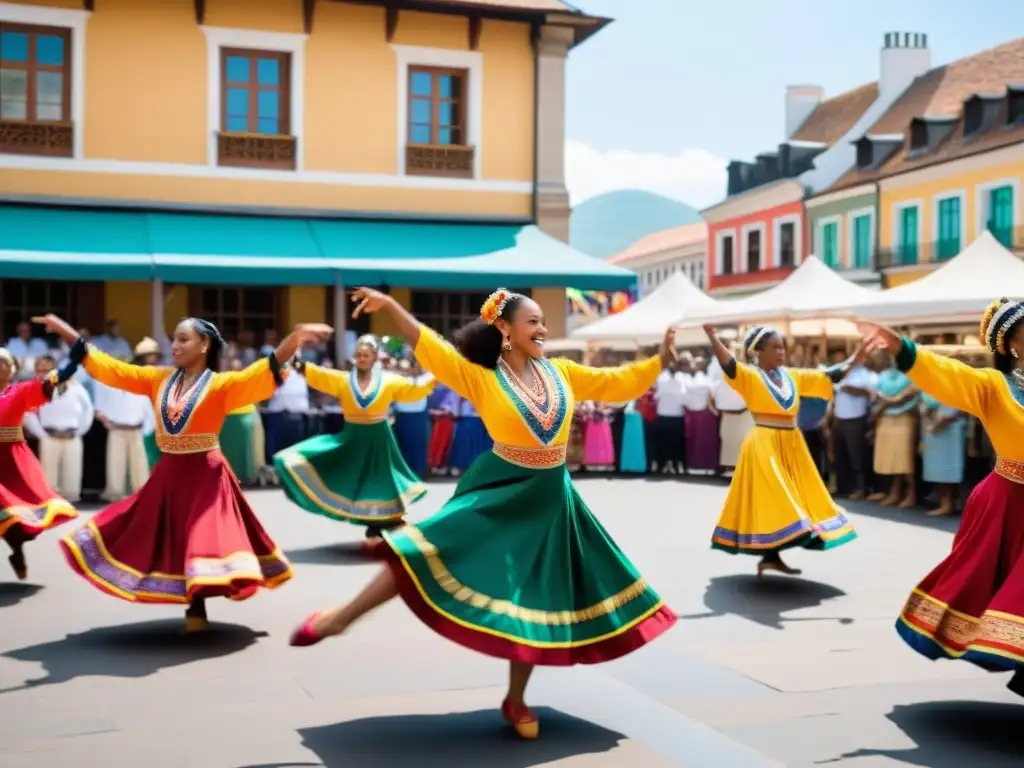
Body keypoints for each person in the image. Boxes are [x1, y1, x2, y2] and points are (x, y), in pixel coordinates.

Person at [289, 287, 678, 740]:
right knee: (419, 547)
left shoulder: (562, 373)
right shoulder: (481, 376)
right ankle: (342, 616)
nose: (543, 329)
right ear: (505, 330)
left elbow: (616, 382)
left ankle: (516, 698)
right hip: (500, 490)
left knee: (532, 598)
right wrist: (393, 308)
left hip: (551, 498)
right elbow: (431, 348)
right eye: (533, 321)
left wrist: (659, 362)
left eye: (542, 322)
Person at [35, 313, 330, 632]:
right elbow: (112, 369)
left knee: (201, 538)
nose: (174, 346)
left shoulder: (221, 384)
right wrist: (67, 331)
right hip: (170, 473)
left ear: (204, 345)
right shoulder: (158, 379)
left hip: (207, 473)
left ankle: (197, 606)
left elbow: (262, 370)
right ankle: (194, 603)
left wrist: (295, 338)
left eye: (183, 339)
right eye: (174, 339)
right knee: (164, 538)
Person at [861, 299, 1024, 697]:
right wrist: (905, 350)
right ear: (1013, 345)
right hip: (1010, 501)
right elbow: (948, 375)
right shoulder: (993, 386)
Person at [704, 324, 862, 577]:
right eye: (775, 347)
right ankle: (785, 543)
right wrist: (712, 337)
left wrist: (857, 357)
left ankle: (771, 556)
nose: (781, 352)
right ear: (758, 352)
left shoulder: (792, 376)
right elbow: (729, 365)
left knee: (796, 497)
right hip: (764, 444)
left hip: (791, 444)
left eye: (782, 347)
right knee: (778, 497)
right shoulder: (751, 376)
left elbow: (830, 376)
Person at [274, 334, 435, 538]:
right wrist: (292, 353)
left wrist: (435, 376)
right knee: (351, 478)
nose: (362, 358)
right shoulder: (343, 381)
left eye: (366, 355)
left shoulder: (388, 380)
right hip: (353, 438)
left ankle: (385, 520)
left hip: (379, 438)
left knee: (380, 480)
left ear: (374, 357)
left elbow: (414, 390)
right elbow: (316, 374)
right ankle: (370, 519)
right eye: (358, 355)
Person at [0, 347, 81, 579]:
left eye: (2, 363)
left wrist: (72, 364)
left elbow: (49, 383)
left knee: (20, 519)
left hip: (14, 460)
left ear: (10, 369)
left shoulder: (20, 391)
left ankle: (17, 550)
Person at [22, 355, 94, 504]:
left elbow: (88, 409)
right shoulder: (36, 389)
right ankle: (51, 504)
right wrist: (42, 435)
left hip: (72, 436)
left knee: (72, 474)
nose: (43, 373)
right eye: (40, 370)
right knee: (49, 478)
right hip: (49, 436)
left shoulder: (75, 386)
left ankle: (71, 502)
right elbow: (28, 413)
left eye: (47, 369)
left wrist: (79, 431)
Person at [919, 391, 965, 517]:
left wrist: (934, 426)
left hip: (948, 431)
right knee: (937, 468)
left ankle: (947, 504)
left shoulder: (952, 389)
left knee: (947, 468)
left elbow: (948, 413)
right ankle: (948, 502)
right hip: (934, 431)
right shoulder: (931, 389)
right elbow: (924, 408)